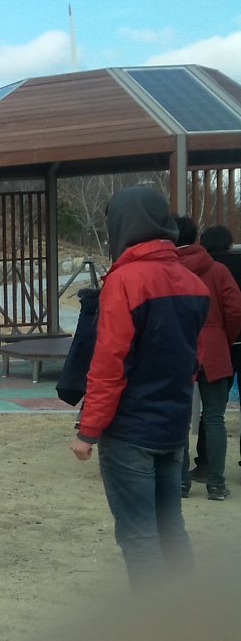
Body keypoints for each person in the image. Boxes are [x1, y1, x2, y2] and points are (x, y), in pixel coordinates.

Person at [69, 187, 207, 590]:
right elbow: (193, 360)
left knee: (138, 535)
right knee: (171, 526)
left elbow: (109, 364)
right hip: (173, 425)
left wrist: (88, 430)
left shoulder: (124, 281)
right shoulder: (193, 282)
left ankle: (152, 619)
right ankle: (188, 611)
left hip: (130, 429)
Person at [173, 217, 241, 500]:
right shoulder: (218, 270)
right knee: (214, 418)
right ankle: (216, 484)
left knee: (177, 417)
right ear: (196, 237)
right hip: (214, 348)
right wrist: (224, 338)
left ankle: (180, 483)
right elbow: (234, 310)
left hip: (177, 349)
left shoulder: (167, 270)